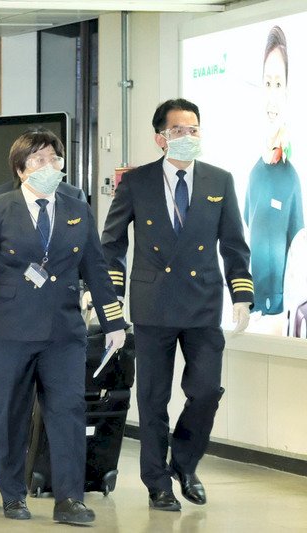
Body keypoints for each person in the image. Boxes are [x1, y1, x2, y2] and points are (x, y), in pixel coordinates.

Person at [0, 129, 126, 525]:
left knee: (69, 411)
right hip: (8, 330)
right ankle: (13, 495)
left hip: (63, 331)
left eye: (55, 158)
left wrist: (114, 321)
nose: (49, 166)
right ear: (21, 168)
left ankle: (70, 498)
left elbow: (96, 268)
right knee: (11, 413)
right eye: (39, 160)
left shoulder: (77, 208)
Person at [101, 98, 254, 511]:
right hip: (153, 305)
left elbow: (234, 244)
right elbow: (112, 243)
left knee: (206, 391)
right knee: (153, 399)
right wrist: (110, 295)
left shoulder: (219, 180)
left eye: (194, 129)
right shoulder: (137, 182)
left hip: (203, 303)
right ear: (160, 138)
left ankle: (184, 464)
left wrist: (242, 294)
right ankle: (157, 483)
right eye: (179, 130)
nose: (188, 136)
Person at [244, 26, 303, 318]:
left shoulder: (291, 176)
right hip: (252, 299)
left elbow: (298, 242)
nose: (272, 94)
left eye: (278, 84)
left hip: (283, 307)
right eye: (267, 83)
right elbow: (248, 223)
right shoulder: (254, 172)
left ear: (288, 91)